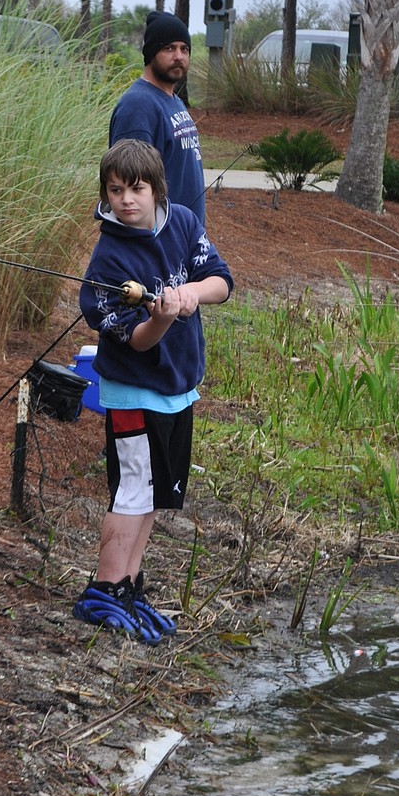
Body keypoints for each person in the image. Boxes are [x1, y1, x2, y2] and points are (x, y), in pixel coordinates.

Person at [74, 138, 234, 644]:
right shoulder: (108, 262)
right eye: (115, 190)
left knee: (153, 497)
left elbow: (222, 281)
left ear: (157, 190)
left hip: (176, 389)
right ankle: (103, 590)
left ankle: (129, 585)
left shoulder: (182, 221)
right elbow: (139, 341)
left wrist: (190, 292)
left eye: (137, 189)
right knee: (131, 492)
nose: (126, 200)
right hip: (133, 392)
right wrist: (162, 319)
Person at [109, 10, 206, 224]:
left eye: (184, 49)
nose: (179, 56)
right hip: (160, 244)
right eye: (169, 48)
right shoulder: (138, 106)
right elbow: (128, 192)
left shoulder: (173, 100)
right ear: (151, 52)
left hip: (184, 239)